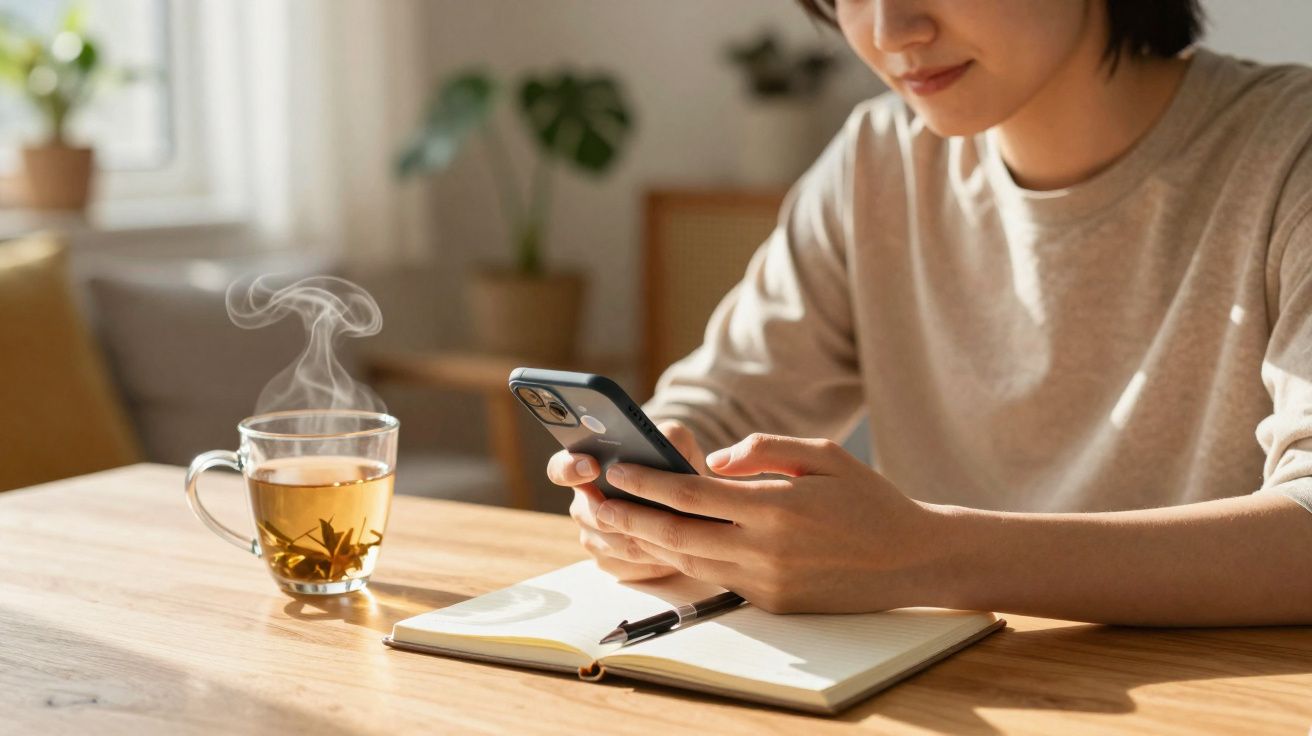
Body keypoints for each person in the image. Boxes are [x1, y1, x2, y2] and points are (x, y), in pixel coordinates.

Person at [547, 0, 1312, 625]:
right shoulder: (877, 159)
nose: (889, 32)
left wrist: (926, 556)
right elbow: (720, 402)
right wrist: (643, 504)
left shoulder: (1289, 155)